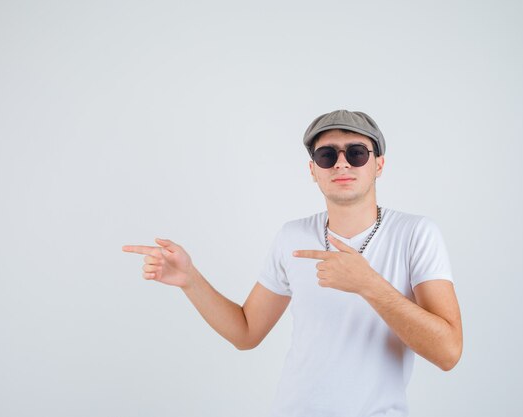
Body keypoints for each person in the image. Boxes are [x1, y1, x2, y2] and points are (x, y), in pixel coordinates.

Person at [122, 109, 463, 417]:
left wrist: (368, 284)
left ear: (379, 164)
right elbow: (246, 332)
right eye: (327, 155)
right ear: (313, 170)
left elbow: (448, 352)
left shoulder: (416, 233)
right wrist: (190, 280)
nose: (342, 164)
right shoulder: (292, 236)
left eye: (357, 153)